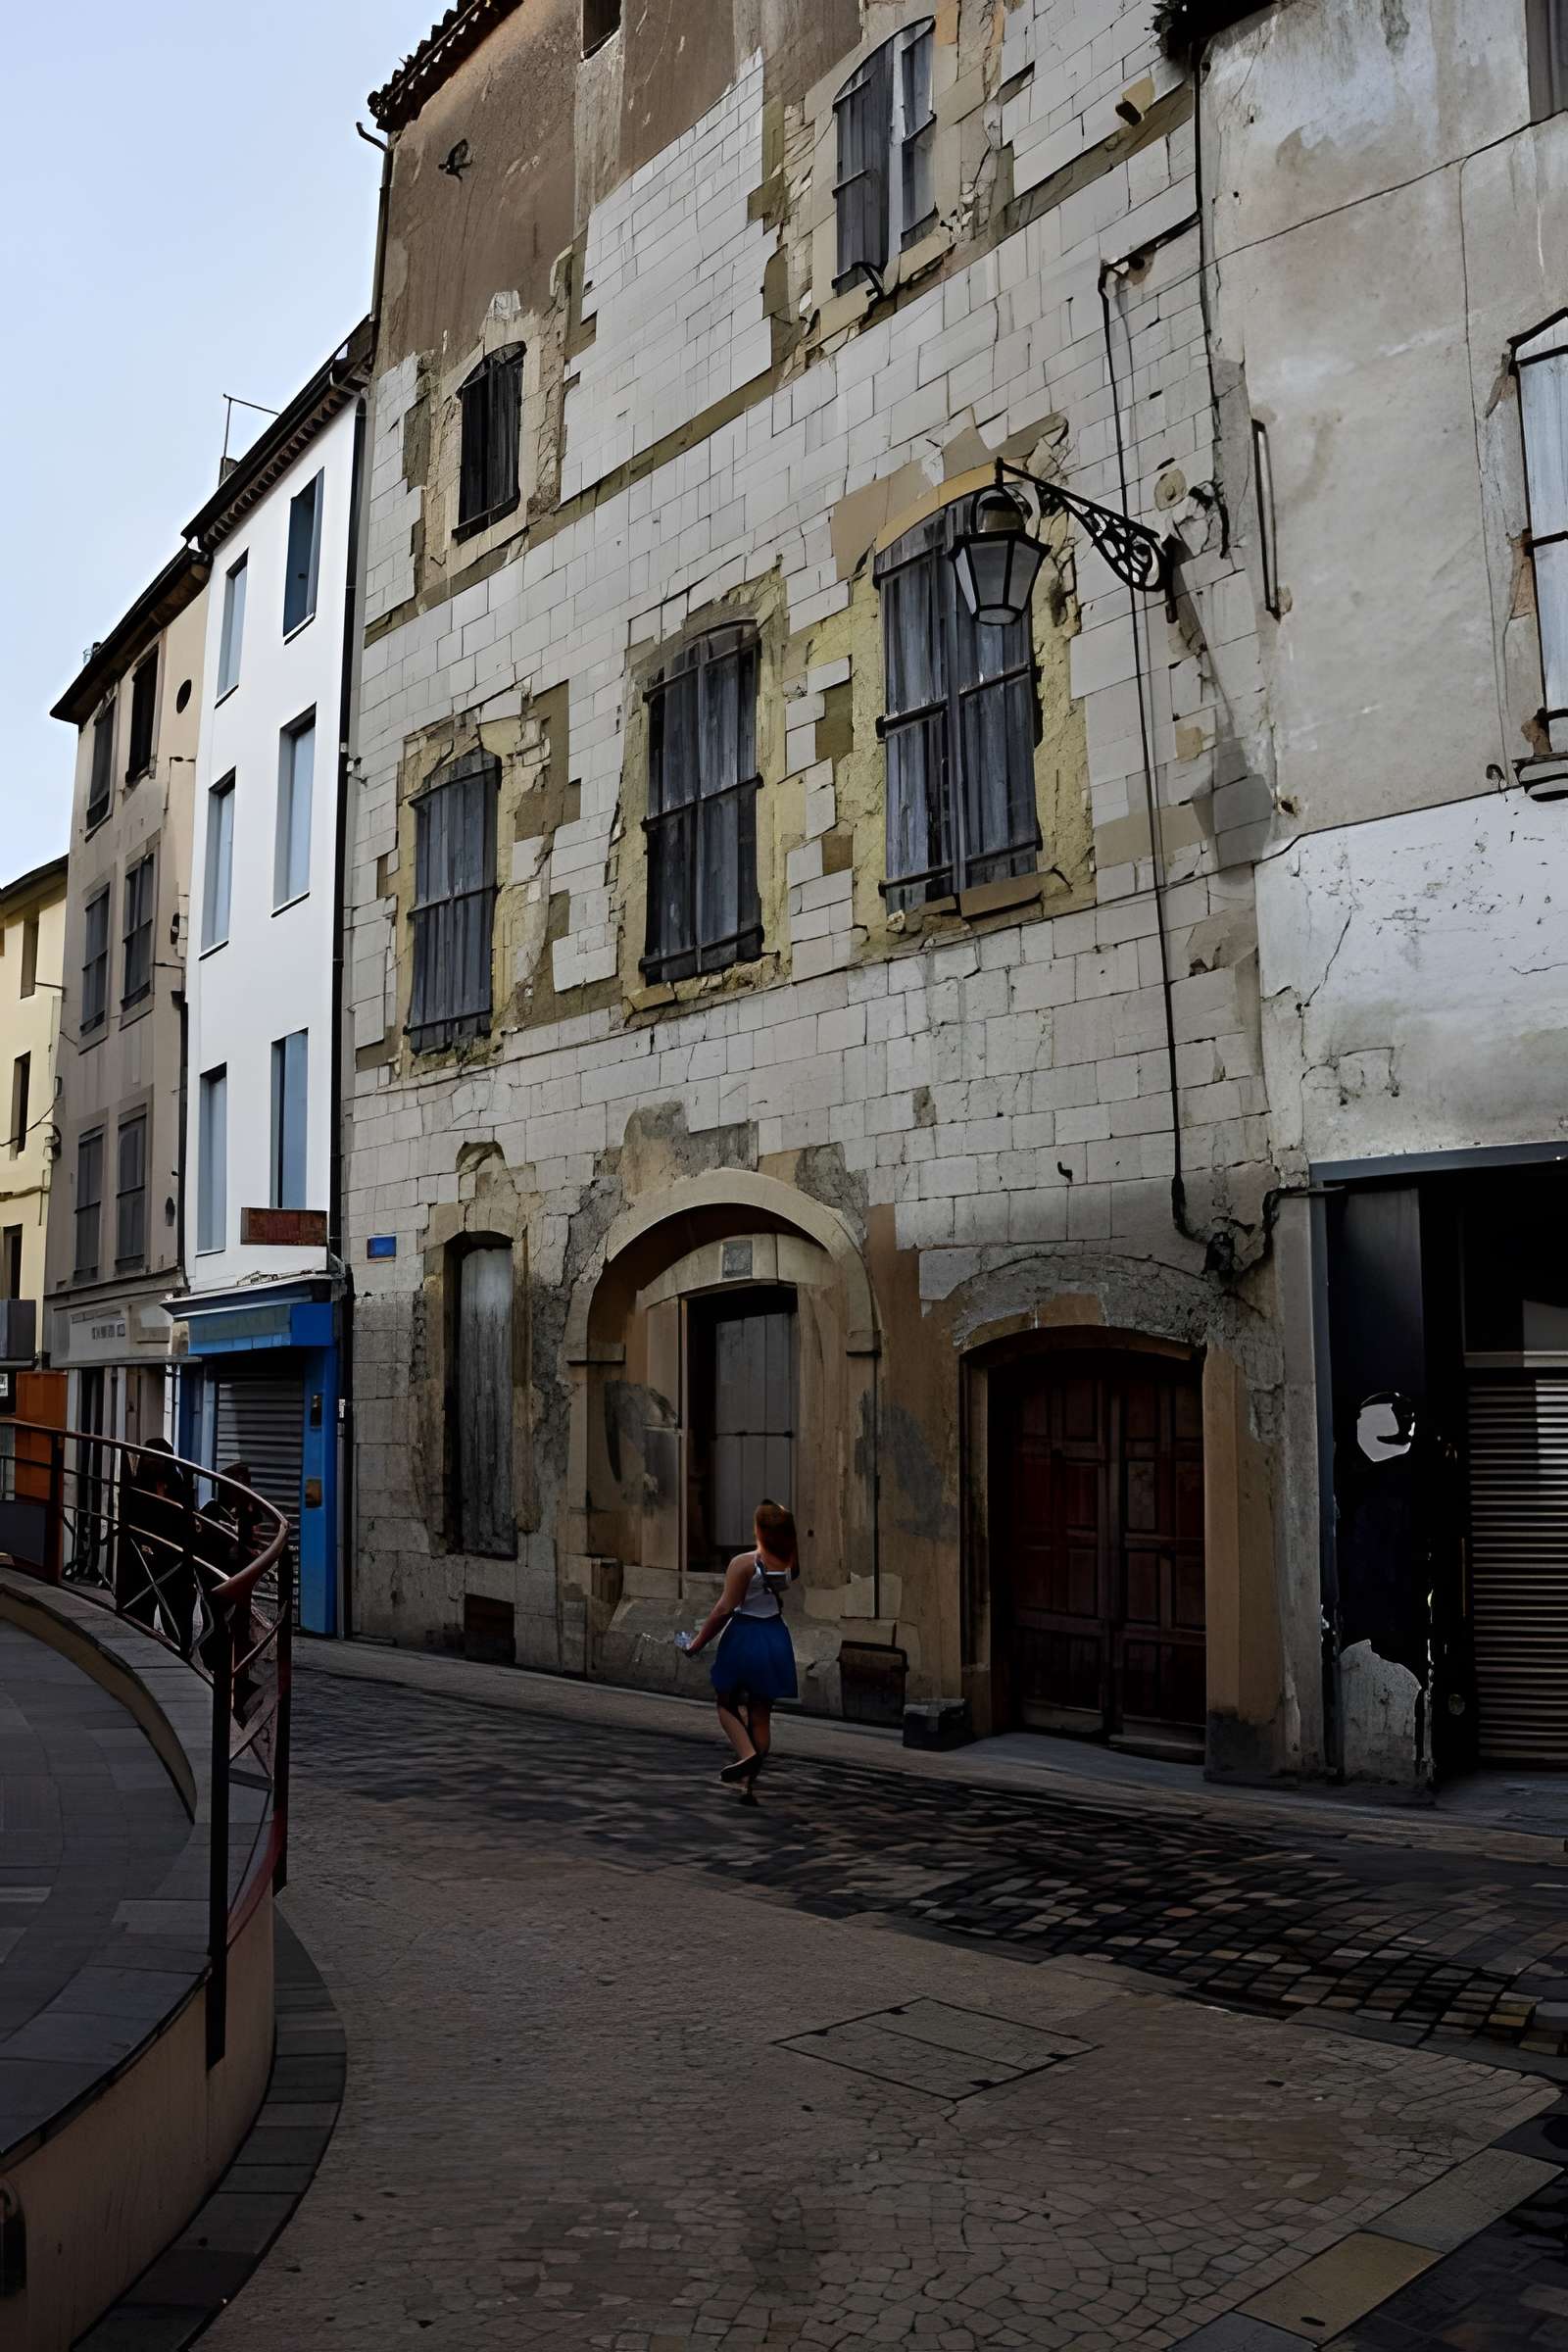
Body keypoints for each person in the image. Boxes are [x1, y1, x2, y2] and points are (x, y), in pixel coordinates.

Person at [682, 1498, 800, 1793]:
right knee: (761, 1712)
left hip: (746, 1635)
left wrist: (696, 1644)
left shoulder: (744, 1564)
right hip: (775, 1635)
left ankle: (747, 1755)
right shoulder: (790, 1561)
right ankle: (749, 1782)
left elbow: (723, 1609)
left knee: (726, 1701)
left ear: (758, 1529)